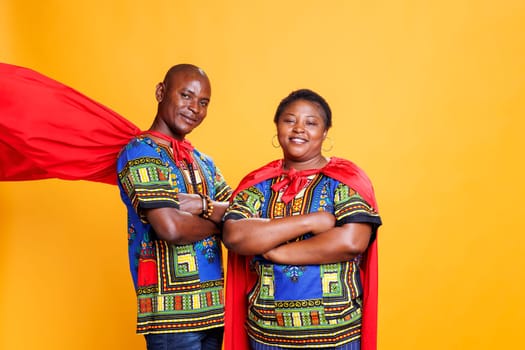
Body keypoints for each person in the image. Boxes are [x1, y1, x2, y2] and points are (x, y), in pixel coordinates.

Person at [222, 89, 382, 350]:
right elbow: (235, 236)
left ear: (325, 131)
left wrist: (275, 252)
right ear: (277, 126)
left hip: (336, 335)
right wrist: (311, 222)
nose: (299, 129)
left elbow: (352, 241)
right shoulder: (259, 184)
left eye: (311, 122)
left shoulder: (343, 181)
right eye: (290, 120)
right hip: (267, 334)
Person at [116, 64, 232, 350]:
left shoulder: (203, 161)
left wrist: (201, 205)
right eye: (186, 96)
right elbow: (171, 228)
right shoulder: (140, 152)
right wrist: (219, 218)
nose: (195, 108)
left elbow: (241, 212)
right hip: (171, 318)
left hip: (215, 311)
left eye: (203, 102)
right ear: (161, 92)